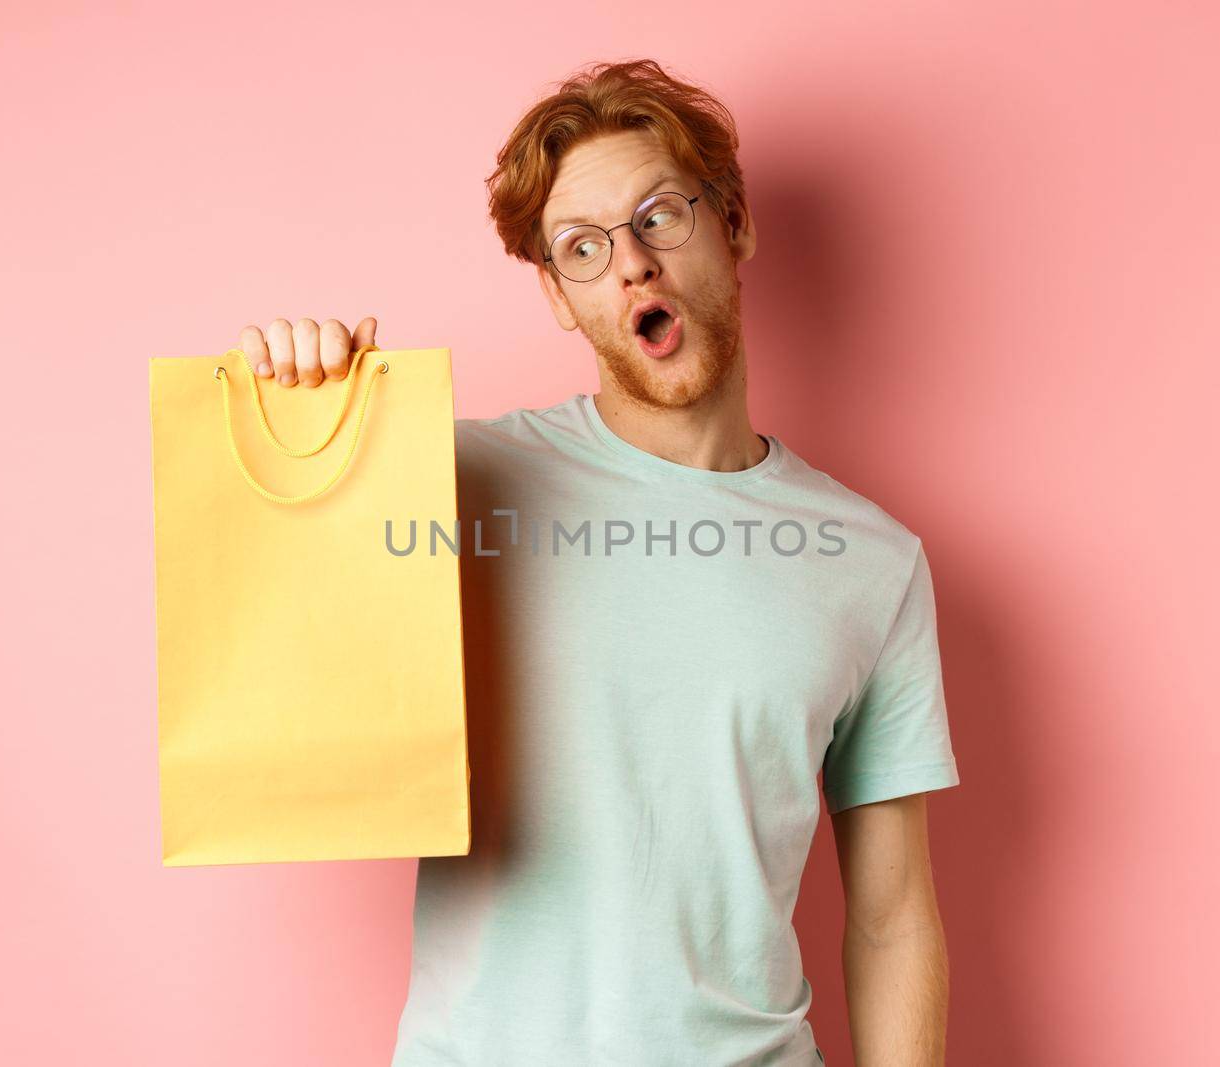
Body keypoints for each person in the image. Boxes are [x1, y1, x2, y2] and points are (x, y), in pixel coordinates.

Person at [233, 58, 960, 1067]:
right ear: (559, 297)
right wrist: (299, 410)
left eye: (660, 216)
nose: (632, 266)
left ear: (735, 223)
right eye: (583, 248)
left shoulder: (872, 563)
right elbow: (271, 650)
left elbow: (891, 918)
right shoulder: (451, 491)